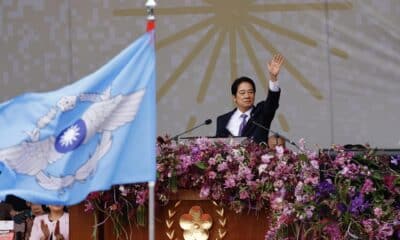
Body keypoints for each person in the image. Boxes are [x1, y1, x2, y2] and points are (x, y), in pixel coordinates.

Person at [215, 54, 284, 143]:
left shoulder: (261, 113)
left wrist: (273, 78)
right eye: (242, 93)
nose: (247, 96)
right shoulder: (222, 120)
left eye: (250, 92)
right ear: (234, 97)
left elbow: (272, 103)